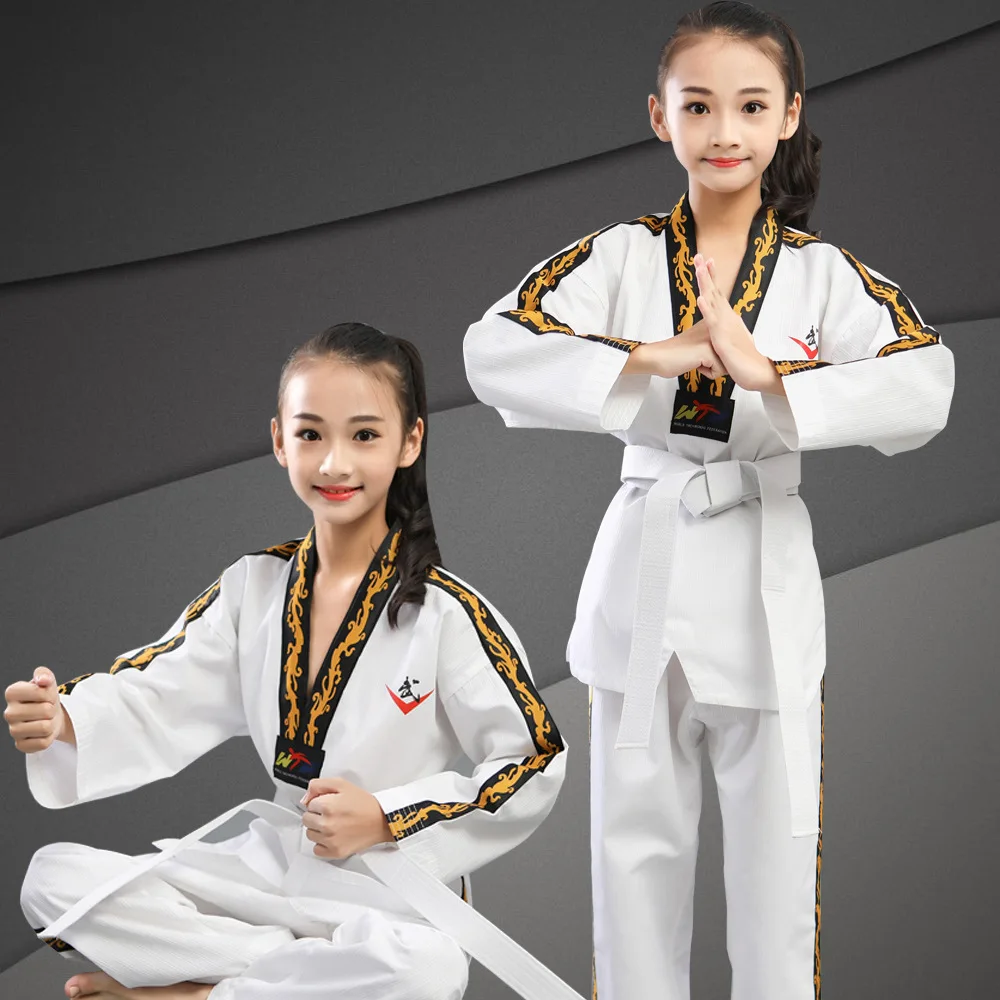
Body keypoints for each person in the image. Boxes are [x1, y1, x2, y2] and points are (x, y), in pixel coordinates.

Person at [462, 3, 954, 999]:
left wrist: (769, 374)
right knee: (631, 864)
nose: (724, 131)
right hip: (644, 576)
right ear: (659, 117)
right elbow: (493, 348)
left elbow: (928, 382)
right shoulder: (618, 257)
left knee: (777, 874)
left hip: (762, 580)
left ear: (789, 116)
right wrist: (656, 353)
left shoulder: (824, 277)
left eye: (750, 106)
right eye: (698, 106)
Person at [6, 322, 568, 1000]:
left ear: (410, 441)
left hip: (385, 889)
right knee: (53, 879)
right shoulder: (254, 587)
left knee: (428, 969)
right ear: (279, 440)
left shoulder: (449, 614)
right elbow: (161, 685)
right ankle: (286, 975)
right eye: (310, 434)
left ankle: (204, 992)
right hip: (270, 866)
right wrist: (64, 717)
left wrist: (386, 815)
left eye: (364, 435)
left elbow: (535, 758)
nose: (334, 463)